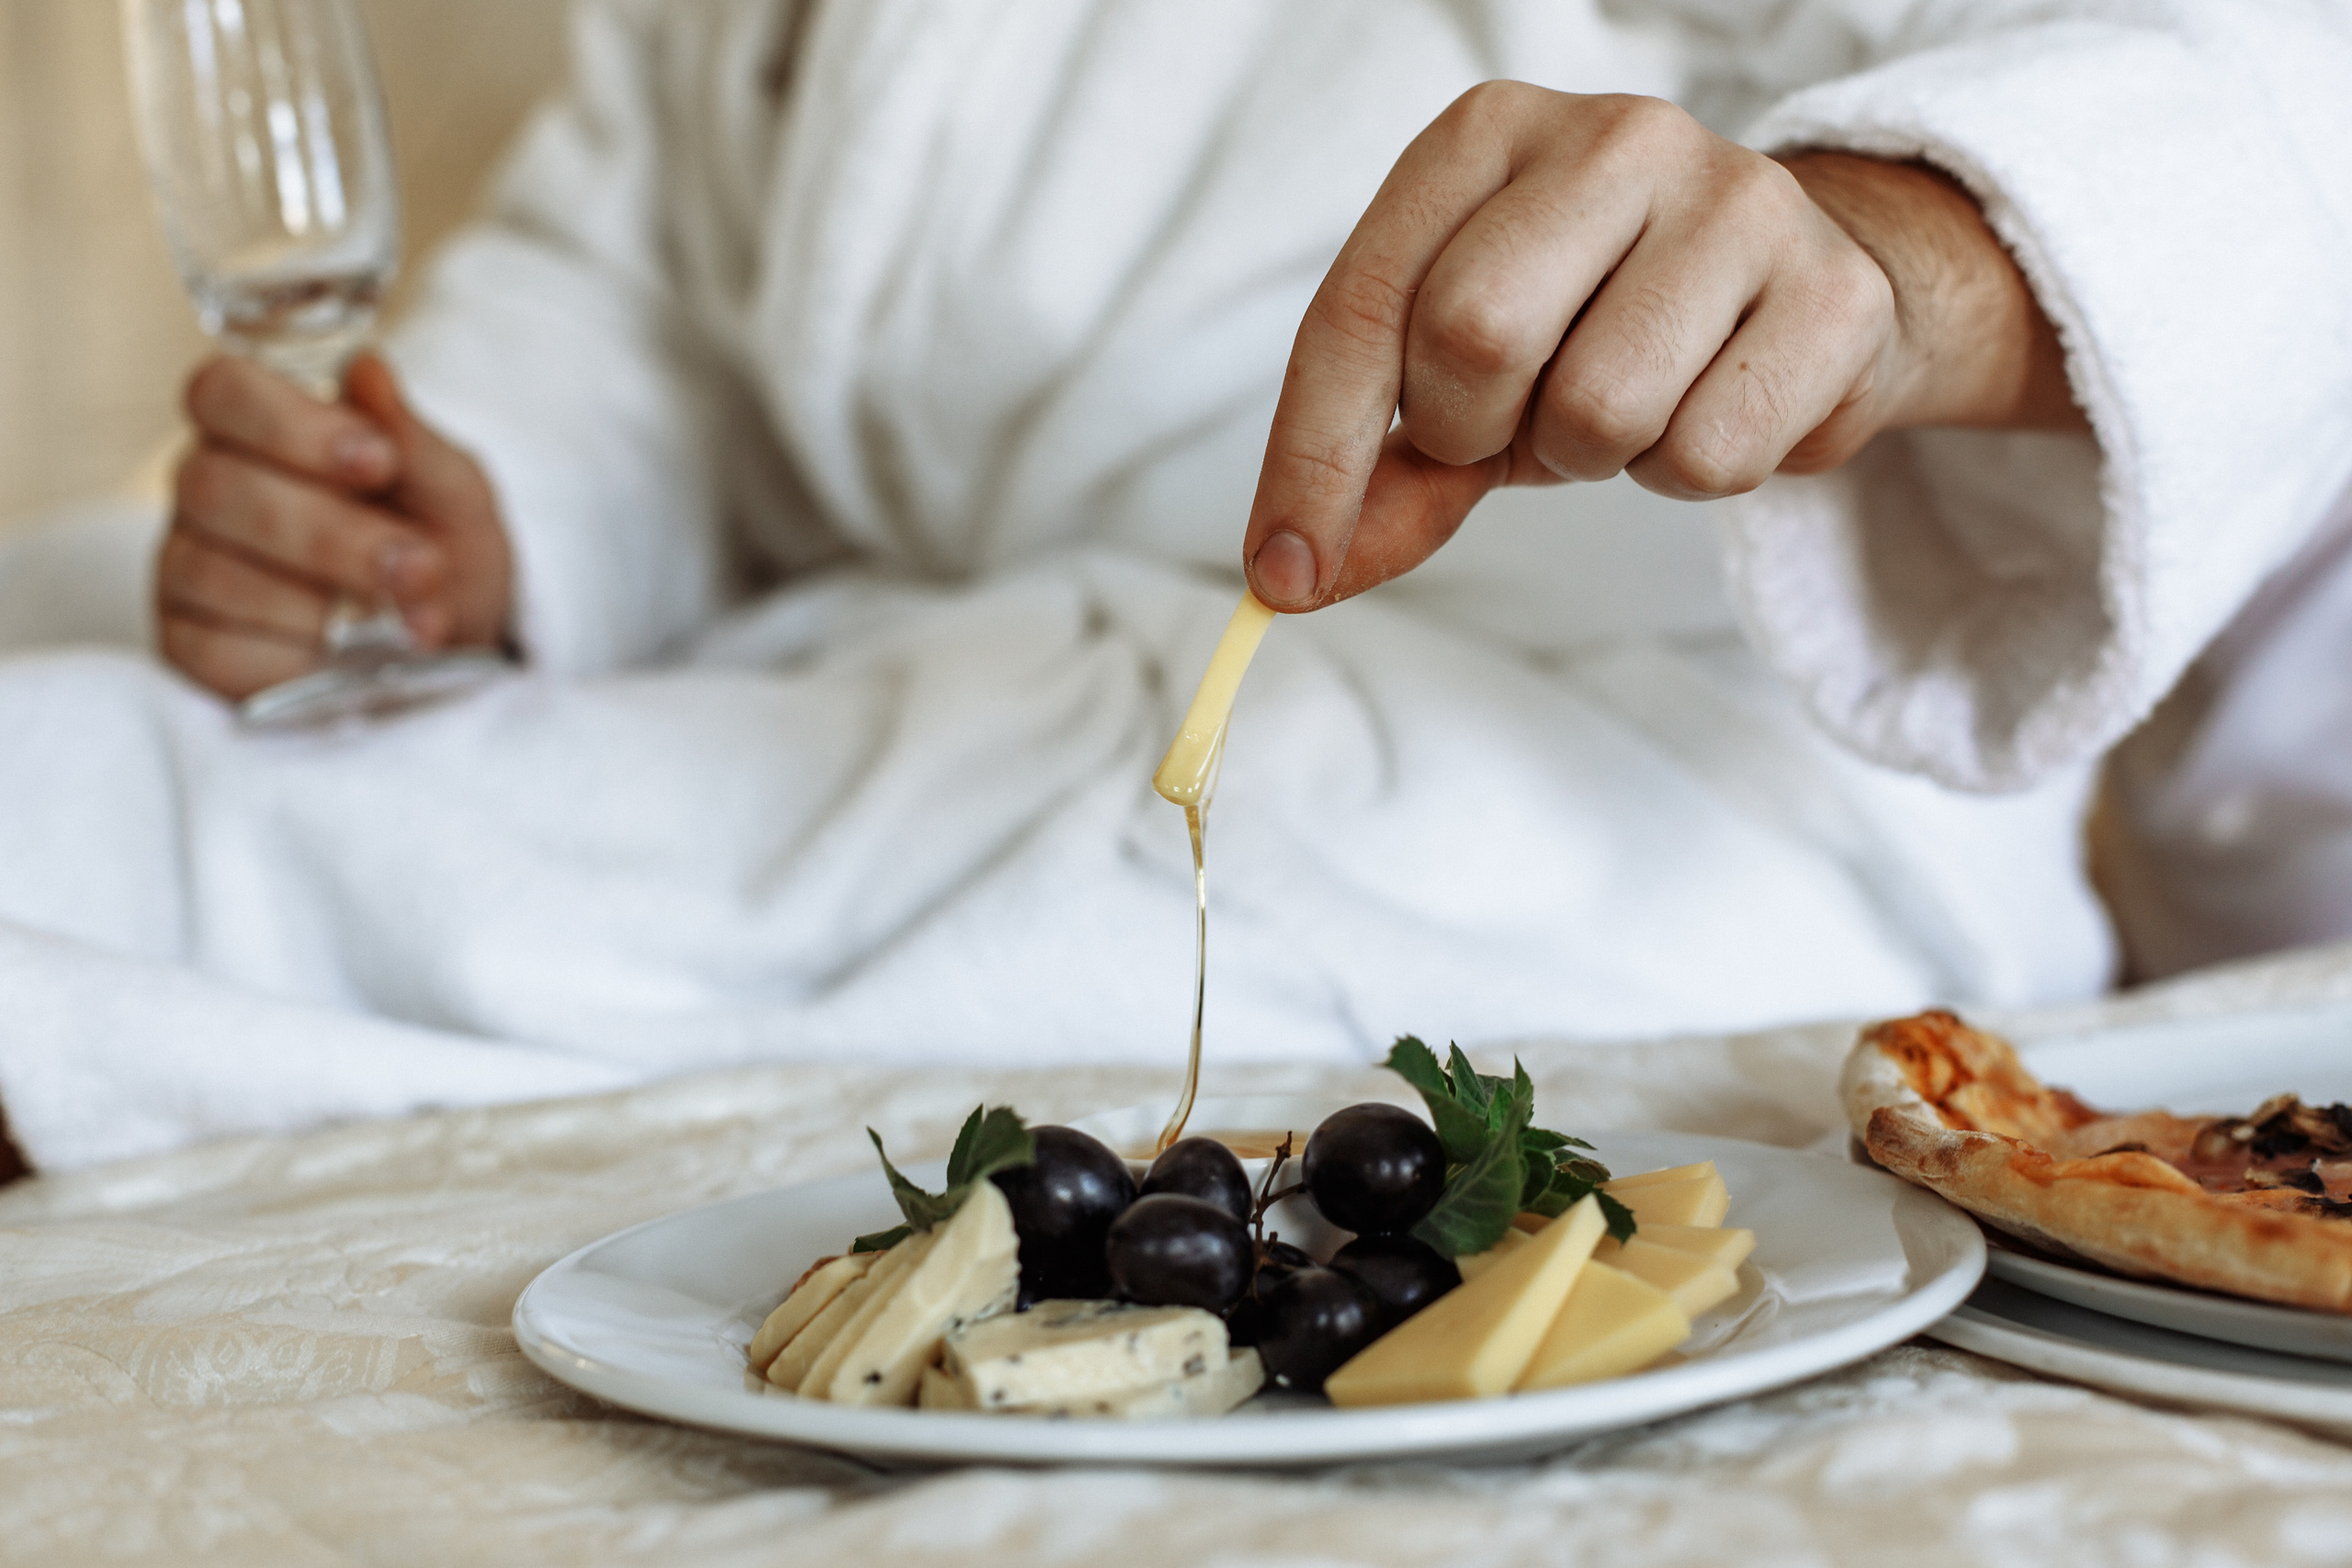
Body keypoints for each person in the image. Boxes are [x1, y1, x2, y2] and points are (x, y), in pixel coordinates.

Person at [0, 0, 2346, 1177]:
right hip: (956, 649)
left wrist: (1879, 257)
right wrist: (468, 526)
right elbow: (652, 296)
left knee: (92, 782)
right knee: (80, 599)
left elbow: (2256, 102)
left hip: (1578, 758)